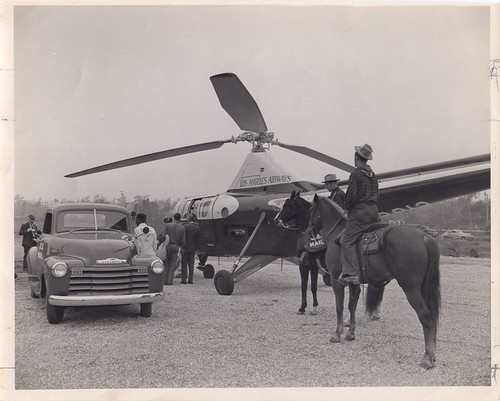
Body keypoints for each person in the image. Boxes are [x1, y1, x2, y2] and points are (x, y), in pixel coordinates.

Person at [338, 143, 380, 286]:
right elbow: (376, 195)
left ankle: (352, 273)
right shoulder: (373, 175)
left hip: (360, 214)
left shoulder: (356, 174)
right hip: (374, 214)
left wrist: (348, 208)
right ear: (367, 159)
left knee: (347, 241)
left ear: (356, 158)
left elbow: (350, 196)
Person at [160, 212, 186, 285]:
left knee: (166, 263)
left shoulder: (168, 225)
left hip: (167, 245)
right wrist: (182, 248)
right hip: (176, 246)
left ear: (174, 218)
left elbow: (163, 236)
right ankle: (169, 281)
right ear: (180, 218)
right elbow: (183, 240)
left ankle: (164, 281)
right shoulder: (182, 227)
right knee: (173, 264)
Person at [181, 213, 200, 284]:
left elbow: (183, 238)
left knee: (184, 264)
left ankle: (183, 280)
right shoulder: (197, 228)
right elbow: (198, 239)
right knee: (191, 264)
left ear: (188, 219)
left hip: (185, 248)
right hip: (193, 248)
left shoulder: (184, 226)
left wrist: (182, 246)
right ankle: (190, 279)